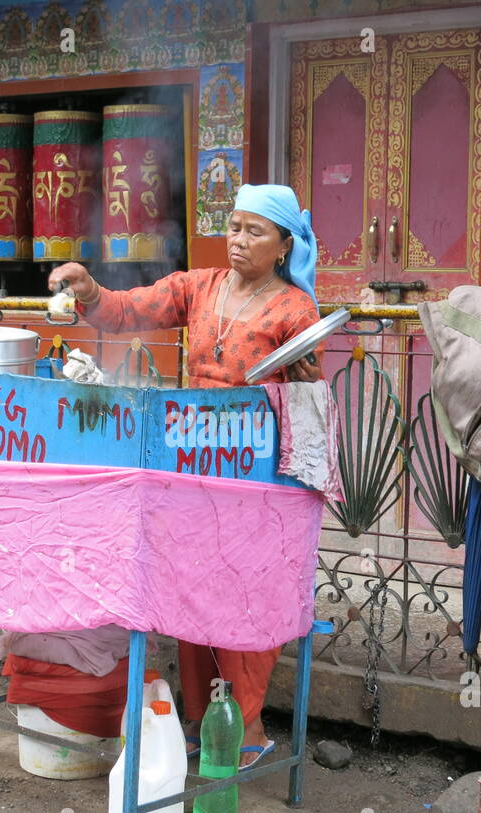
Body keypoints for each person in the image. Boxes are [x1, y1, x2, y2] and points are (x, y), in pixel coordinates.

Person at [48, 183, 323, 769]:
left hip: (255, 476)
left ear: (282, 246)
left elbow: (304, 403)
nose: (239, 239)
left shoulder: (295, 309)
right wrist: (90, 289)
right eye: (235, 225)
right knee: (195, 591)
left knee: (246, 595)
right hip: (190, 466)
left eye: (255, 231)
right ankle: (202, 717)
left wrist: (301, 376)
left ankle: (245, 726)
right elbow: (130, 311)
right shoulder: (200, 285)